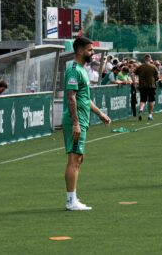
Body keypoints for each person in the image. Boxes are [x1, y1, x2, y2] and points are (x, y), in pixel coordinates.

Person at [63, 36, 112, 211]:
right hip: (75, 121)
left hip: (82, 120)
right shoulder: (74, 69)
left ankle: (73, 198)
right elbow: (71, 97)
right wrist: (75, 123)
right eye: (90, 50)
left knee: (79, 158)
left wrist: (100, 114)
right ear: (81, 50)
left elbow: (85, 98)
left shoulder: (82, 70)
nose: (93, 53)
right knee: (74, 159)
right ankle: (71, 201)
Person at [136, 55, 160, 121]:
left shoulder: (140, 67)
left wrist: (134, 82)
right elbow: (157, 77)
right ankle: (150, 115)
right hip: (151, 86)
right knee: (151, 100)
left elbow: (133, 73)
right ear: (150, 59)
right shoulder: (153, 66)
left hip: (142, 86)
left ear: (144, 59)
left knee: (143, 100)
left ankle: (141, 110)